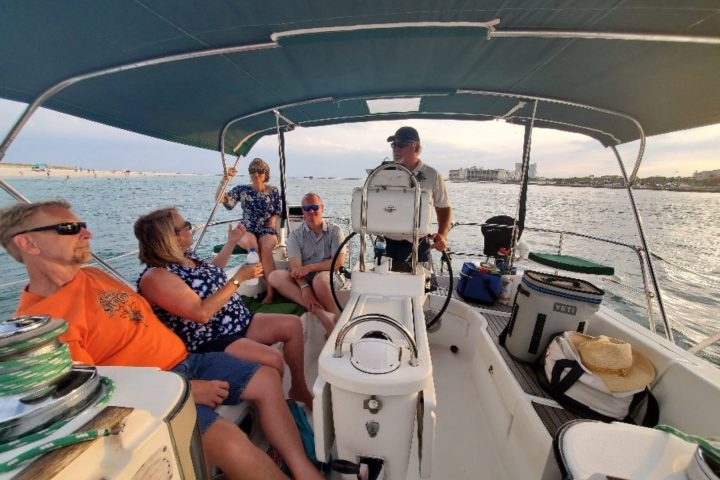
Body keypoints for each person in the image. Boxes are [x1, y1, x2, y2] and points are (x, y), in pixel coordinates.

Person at [0, 200, 323, 480]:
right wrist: (180, 389)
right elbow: (90, 392)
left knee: (267, 377)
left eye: (83, 225)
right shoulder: (45, 325)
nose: (88, 233)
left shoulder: (93, 276)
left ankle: (301, 467)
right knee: (231, 445)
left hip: (186, 360)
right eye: (70, 227)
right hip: (155, 388)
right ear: (29, 244)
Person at [134, 207, 313, 407]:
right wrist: (238, 279)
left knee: (293, 324)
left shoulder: (186, 257)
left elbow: (212, 274)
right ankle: (275, 404)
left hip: (237, 321)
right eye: (186, 226)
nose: (190, 228)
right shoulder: (156, 277)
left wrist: (231, 243)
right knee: (273, 358)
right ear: (172, 238)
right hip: (213, 336)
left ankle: (298, 387)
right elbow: (201, 313)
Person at [268, 193, 346, 336]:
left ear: (322, 208)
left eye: (315, 207)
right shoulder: (295, 235)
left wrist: (310, 268)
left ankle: (337, 326)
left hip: (329, 276)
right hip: (304, 277)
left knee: (320, 281)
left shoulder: (336, 231)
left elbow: (337, 264)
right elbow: (295, 268)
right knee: (274, 277)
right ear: (303, 210)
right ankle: (323, 315)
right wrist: (305, 288)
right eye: (307, 208)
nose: (311, 211)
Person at [384, 126, 452, 270]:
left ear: (416, 148)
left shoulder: (433, 175)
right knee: (385, 288)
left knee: (422, 288)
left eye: (401, 145)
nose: (396, 149)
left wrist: (442, 234)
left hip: (419, 243)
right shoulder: (382, 174)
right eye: (393, 145)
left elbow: (443, 207)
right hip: (386, 243)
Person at [216, 158, 280, 304]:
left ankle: (271, 292)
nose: (256, 174)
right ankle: (260, 281)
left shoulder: (273, 191)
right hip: (247, 228)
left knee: (266, 247)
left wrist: (274, 218)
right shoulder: (242, 190)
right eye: (252, 171)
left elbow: (279, 211)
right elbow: (221, 199)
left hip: (266, 228)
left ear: (266, 173)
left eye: (259, 171)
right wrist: (225, 178)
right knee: (253, 246)